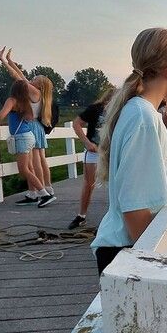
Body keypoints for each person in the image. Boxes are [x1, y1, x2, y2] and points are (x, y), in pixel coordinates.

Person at [91, 27, 167, 275]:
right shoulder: (142, 117)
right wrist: (153, 268)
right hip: (128, 253)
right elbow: (134, 208)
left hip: (129, 248)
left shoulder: (147, 114)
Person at [0, 48, 56, 200]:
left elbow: (17, 77)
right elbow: (21, 76)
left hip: (30, 126)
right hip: (37, 126)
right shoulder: (40, 94)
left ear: (40, 84)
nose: (33, 78)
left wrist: (4, 62)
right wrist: (9, 61)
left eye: (36, 78)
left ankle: (39, 190)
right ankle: (46, 187)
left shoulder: (34, 92)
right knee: (40, 160)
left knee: (35, 162)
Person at [0, 80, 54, 207]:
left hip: (22, 138)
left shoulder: (12, 100)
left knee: (24, 169)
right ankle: (34, 194)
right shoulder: (25, 103)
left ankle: (44, 194)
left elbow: (1, 115)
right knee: (28, 167)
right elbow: (21, 120)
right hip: (29, 136)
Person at [68, 87, 115, 229]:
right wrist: (86, 142)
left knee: (115, 184)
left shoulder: (121, 110)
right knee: (89, 183)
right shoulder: (95, 109)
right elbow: (77, 123)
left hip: (112, 151)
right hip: (94, 151)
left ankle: (114, 217)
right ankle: (81, 215)